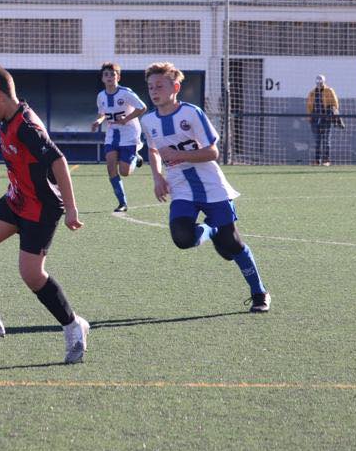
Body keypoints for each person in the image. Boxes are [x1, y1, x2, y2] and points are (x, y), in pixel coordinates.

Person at [0, 63, 91, 364]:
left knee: (31, 274)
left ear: (1, 98)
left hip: (41, 208)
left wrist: (71, 209)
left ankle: (73, 326)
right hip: (16, 199)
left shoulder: (27, 127)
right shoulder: (6, 111)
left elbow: (59, 161)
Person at [139, 61, 270, 312]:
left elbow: (212, 152)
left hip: (211, 185)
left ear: (175, 87)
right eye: (150, 87)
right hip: (181, 188)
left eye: (160, 86)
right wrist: (157, 177)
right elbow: (154, 150)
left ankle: (259, 293)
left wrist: (181, 156)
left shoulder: (191, 113)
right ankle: (211, 229)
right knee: (182, 238)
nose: (154, 91)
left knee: (232, 244)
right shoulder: (149, 120)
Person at [90, 61, 147, 212]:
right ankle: (122, 203)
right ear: (102, 78)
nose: (109, 77)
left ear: (118, 77)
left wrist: (126, 119)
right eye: (106, 75)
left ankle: (136, 157)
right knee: (110, 167)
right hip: (112, 134)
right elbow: (102, 113)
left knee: (124, 172)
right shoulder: (101, 96)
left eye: (112, 74)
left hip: (129, 133)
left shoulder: (125, 93)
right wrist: (99, 121)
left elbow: (142, 107)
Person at [306, 74, 340, 166]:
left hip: (326, 118)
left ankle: (326, 160)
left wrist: (333, 113)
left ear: (324, 82)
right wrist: (309, 117)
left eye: (320, 81)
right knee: (317, 140)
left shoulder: (329, 91)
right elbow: (309, 106)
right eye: (318, 81)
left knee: (326, 140)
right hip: (315, 118)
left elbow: (335, 103)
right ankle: (317, 160)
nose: (319, 83)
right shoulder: (312, 92)